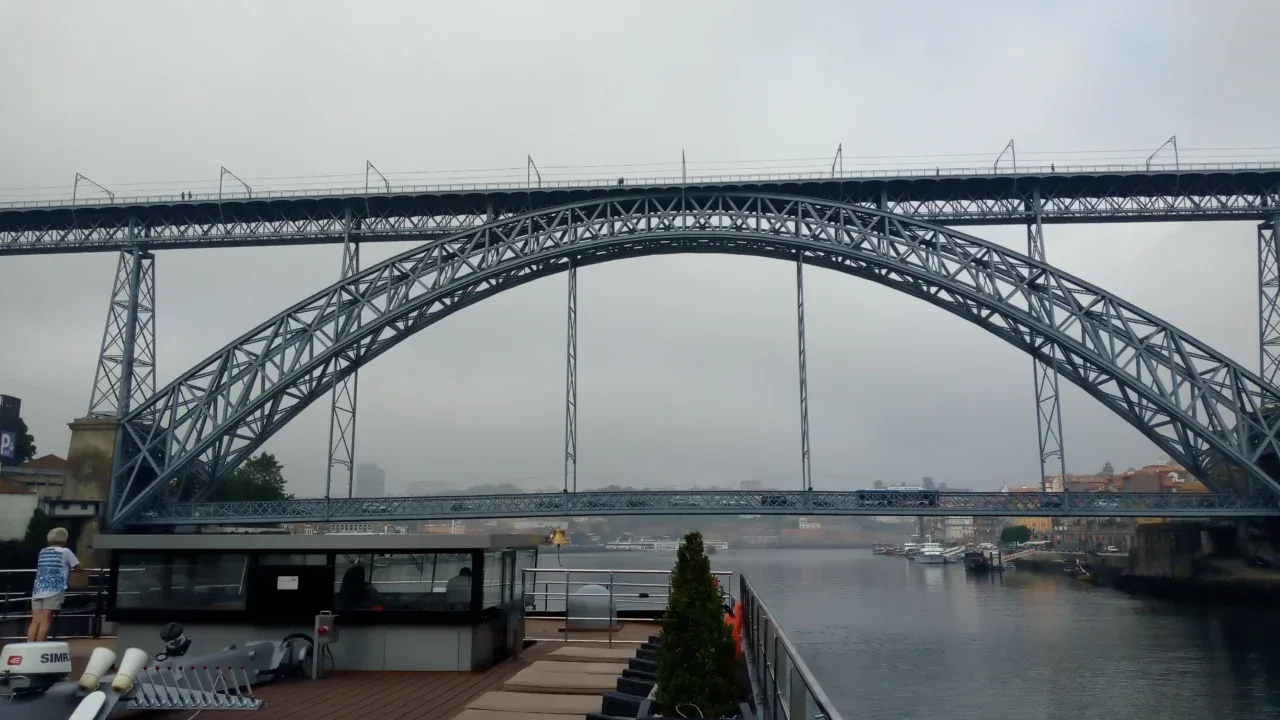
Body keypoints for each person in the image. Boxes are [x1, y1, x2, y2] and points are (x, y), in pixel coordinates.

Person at [27, 527, 81, 642]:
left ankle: (28, 646)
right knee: (46, 621)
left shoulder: (43, 551)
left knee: (35, 621)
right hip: (54, 589)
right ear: (64, 540)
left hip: (38, 589)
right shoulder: (66, 552)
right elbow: (77, 566)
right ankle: (39, 647)